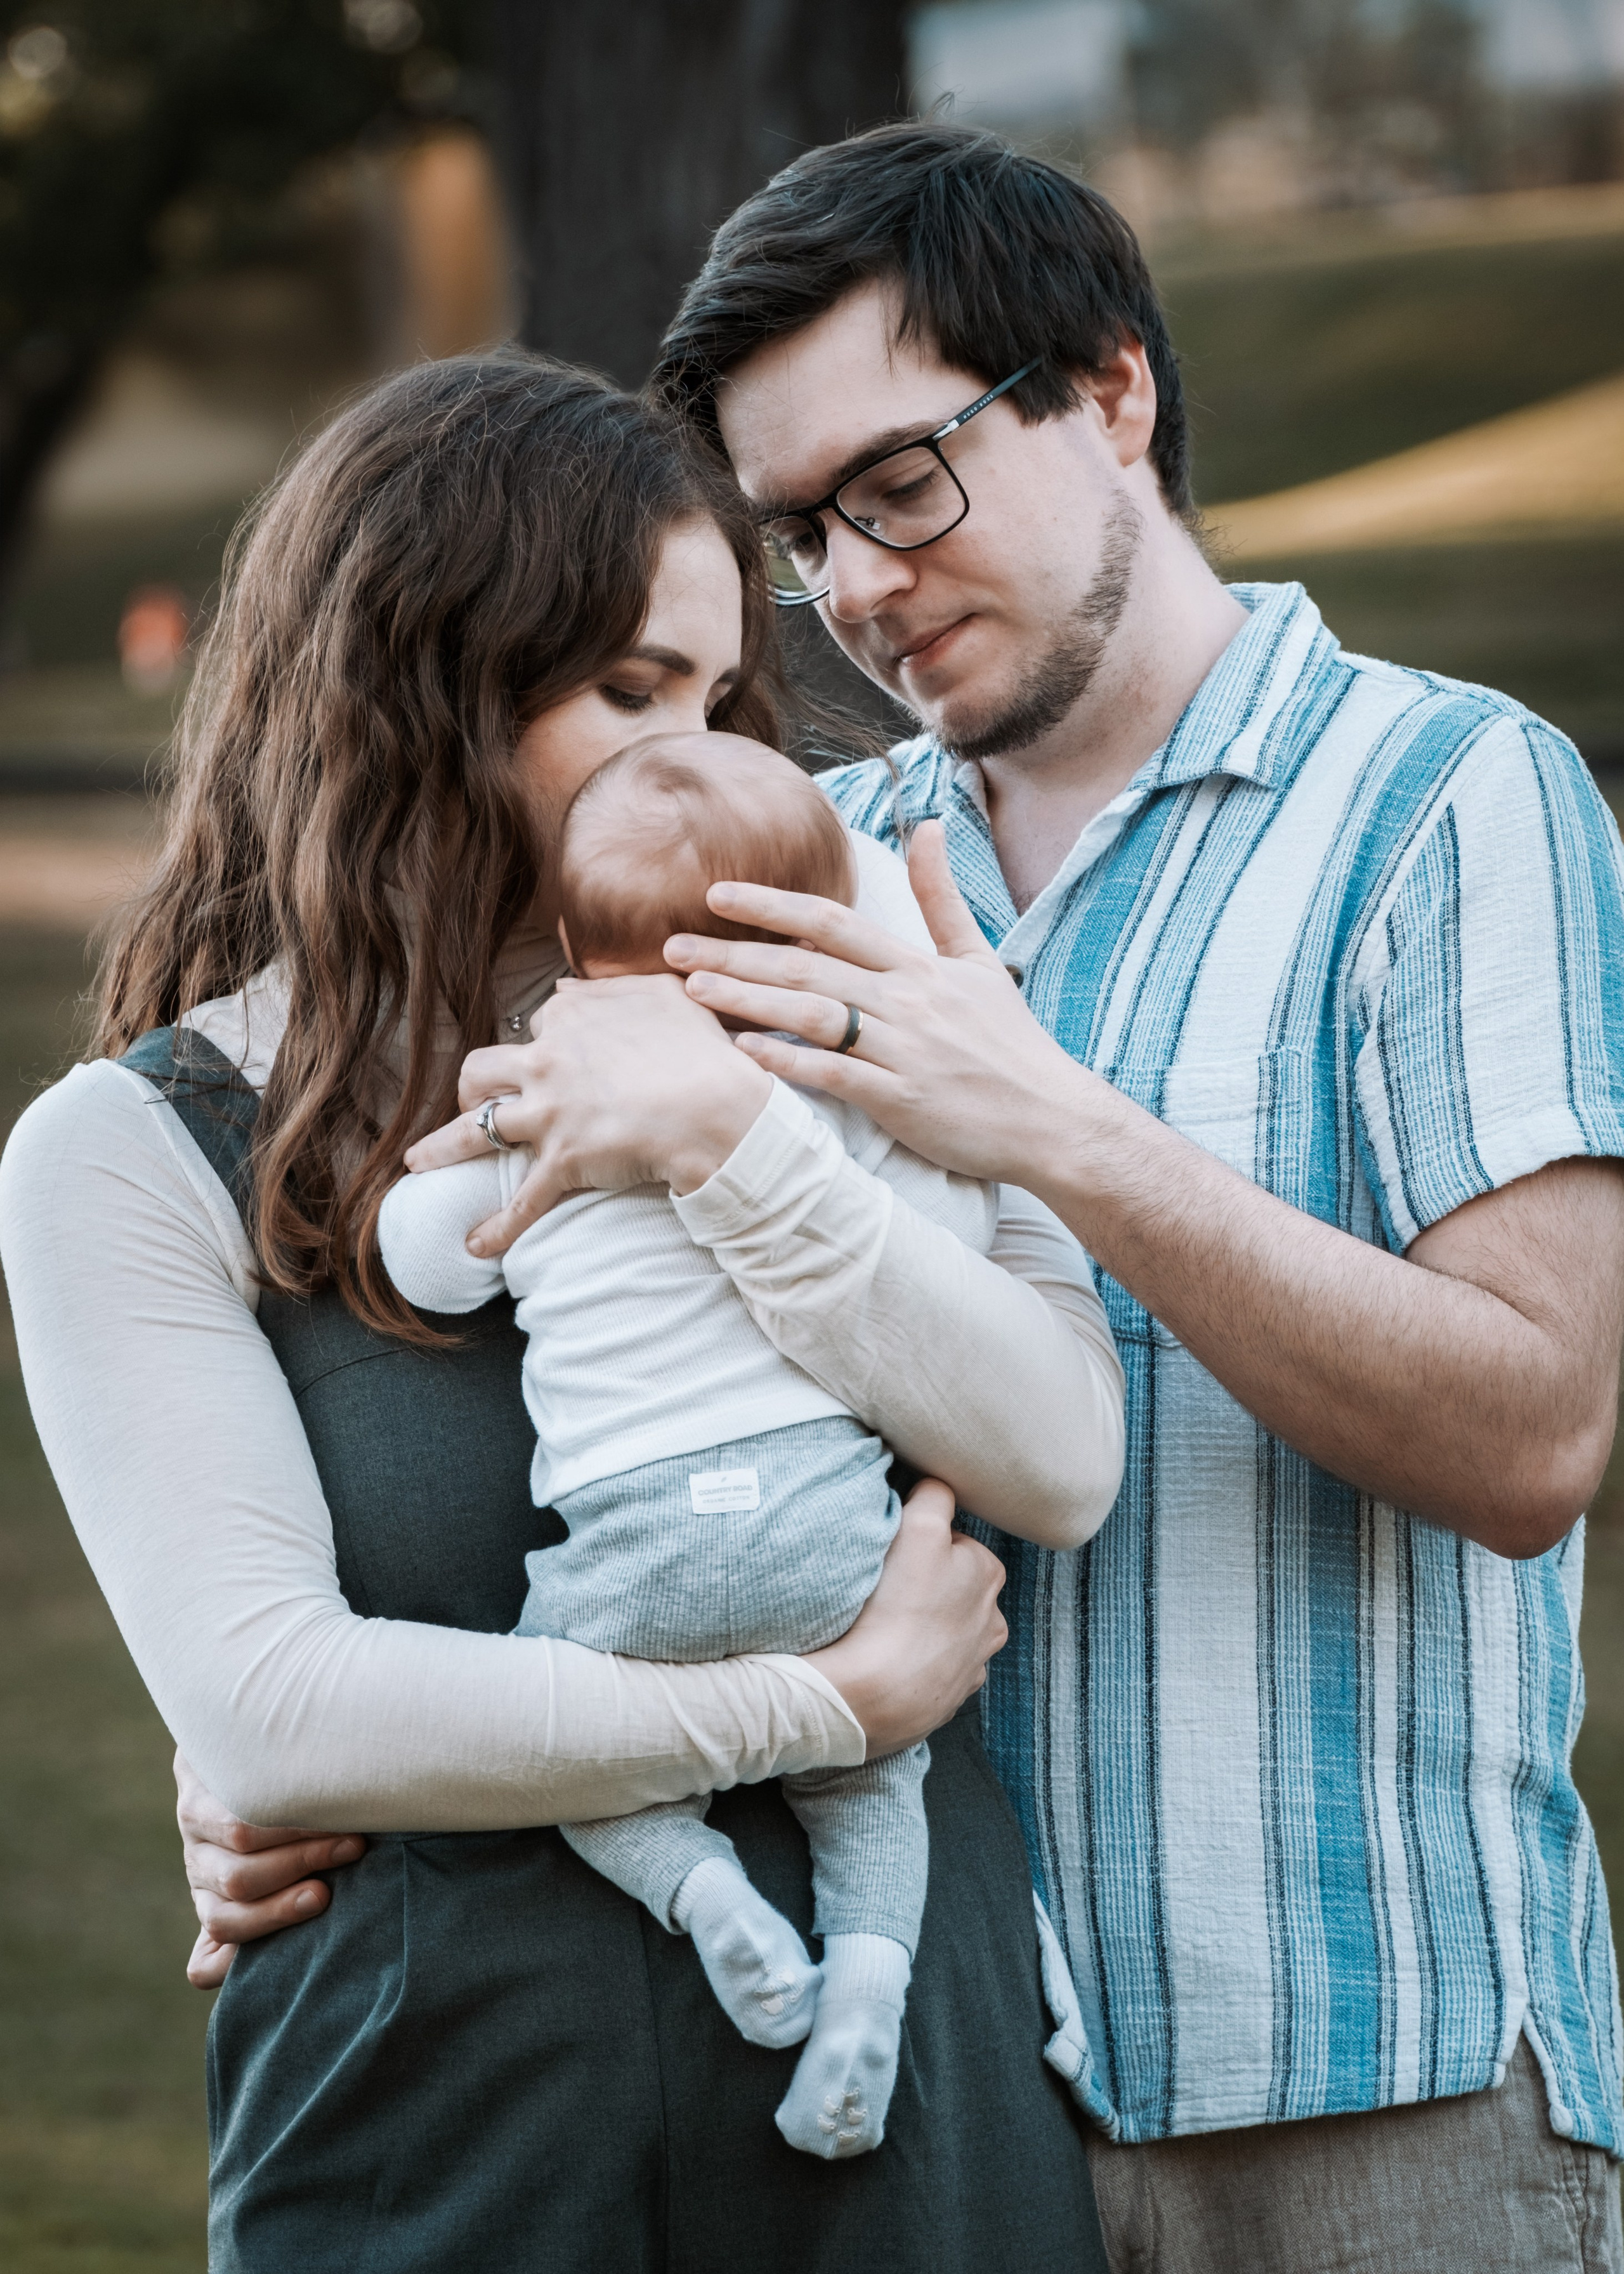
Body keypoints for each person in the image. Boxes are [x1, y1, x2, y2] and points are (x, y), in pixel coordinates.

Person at [375, 125, 1623, 2270]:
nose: (854, 586)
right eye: (800, 532)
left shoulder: (1452, 796)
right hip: (931, 2106)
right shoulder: (774, 846)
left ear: (1110, 393)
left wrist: (1050, 1118)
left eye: (902, 483)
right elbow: (566, 1310)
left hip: (1365, 2090)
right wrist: (305, 1751)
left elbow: (1533, 1436)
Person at [0, 351, 1116, 2270]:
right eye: (621, 692)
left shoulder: (846, 996)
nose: (694, 758)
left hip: (895, 2134)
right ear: (416, 694)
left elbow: (1061, 1451)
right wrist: (826, 1703)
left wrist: (730, 1133)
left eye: (712, 695)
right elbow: (277, 1713)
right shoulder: (132, 1149)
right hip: (441, 2147)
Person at [376, 729, 1123, 2159]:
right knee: (873, 1778)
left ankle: (704, 1893)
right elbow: (958, 1241)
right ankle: (866, 1985)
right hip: (822, 1537)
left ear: (580, 952)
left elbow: (429, 1262)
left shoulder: (536, 1099)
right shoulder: (830, 1100)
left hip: (630, 1551)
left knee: (585, 1750)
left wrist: (482, 1124)